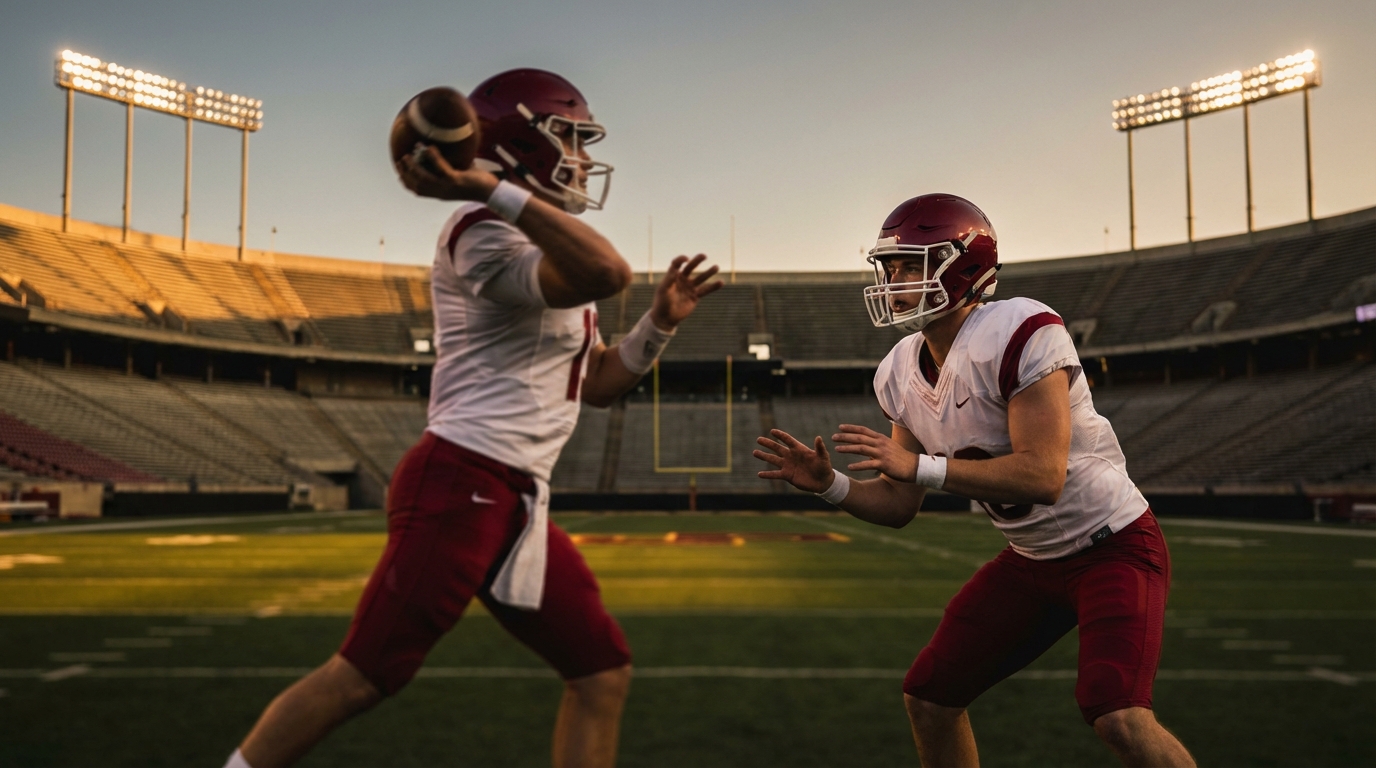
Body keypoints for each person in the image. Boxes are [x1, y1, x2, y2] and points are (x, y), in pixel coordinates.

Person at [225, 68, 723, 768]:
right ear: (524, 145)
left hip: (515, 497)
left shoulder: (540, 246)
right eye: (570, 139)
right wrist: (487, 186)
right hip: (463, 481)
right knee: (364, 676)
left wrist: (659, 327)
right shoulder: (480, 230)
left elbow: (602, 384)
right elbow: (607, 272)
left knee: (600, 673)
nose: (581, 158)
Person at [753, 194, 1194, 767]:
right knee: (930, 697)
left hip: (1113, 546)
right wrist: (831, 484)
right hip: (1031, 560)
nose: (897, 280)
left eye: (913, 265)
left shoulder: (1019, 330)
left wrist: (919, 466)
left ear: (962, 265)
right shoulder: (897, 371)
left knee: (1119, 714)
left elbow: (1042, 475)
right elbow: (897, 504)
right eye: (892, 267)